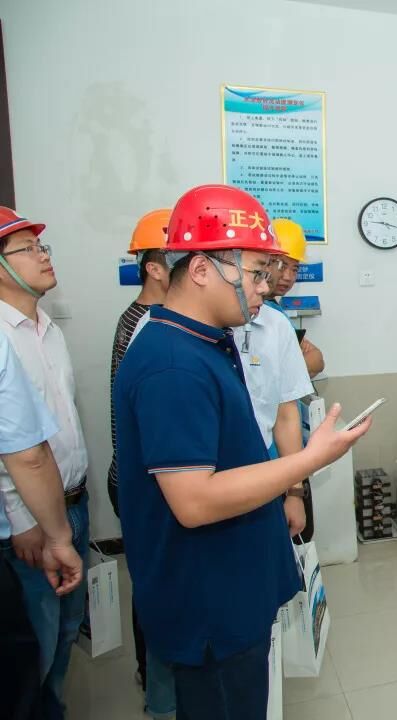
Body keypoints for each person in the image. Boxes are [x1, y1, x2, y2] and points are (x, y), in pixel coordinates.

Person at [114, 184, 371, 720]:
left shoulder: (203, 340)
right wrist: (311, 459)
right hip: (210, 605)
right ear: (201, 269)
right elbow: (194, 502)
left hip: (230, 587)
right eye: (255, 273)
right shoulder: (172, 364)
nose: (265, 288)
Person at [0, 207, 90, 720]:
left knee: (65, 632)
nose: (43, 256)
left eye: (42, 246)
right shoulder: (3, 336)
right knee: (34, 642)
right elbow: (18, 450)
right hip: (32, 524)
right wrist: (22, 518)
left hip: (71, 504)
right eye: (27, 249)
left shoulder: (48, 329)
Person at [107, 208, 175, 718]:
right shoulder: (144, 326)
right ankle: (156, 682)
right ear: (154, 267)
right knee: (155, 585)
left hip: (149, 476)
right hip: (147, 481)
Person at [237, 218, 315, 541]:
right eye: (271, 266)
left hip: (271, 462)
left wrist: (295, 492)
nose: (283, 276)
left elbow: (285, 411)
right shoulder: (165, 333)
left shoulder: (275, 322)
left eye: (292, 268)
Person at [270, 226, 324, 378]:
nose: (288, 277)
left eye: (294, 269)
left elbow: (317, 361)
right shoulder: (253, 311)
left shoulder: (275, 310)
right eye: (281, 266)